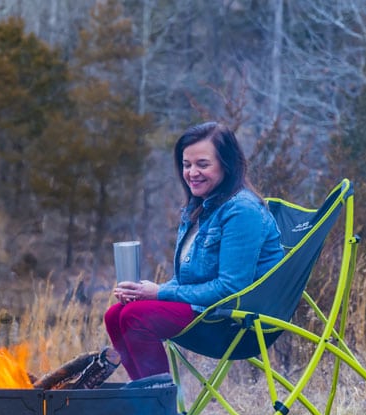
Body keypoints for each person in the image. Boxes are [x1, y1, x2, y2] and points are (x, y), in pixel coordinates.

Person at [105, 121, 284, 382]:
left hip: (233, 321)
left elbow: (232, 288)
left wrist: (159, 293)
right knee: (115, 314)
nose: (192, 173)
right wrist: (144, 291)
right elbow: (189, 280)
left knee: (136, 316)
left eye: (202, 164)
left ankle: (161, 411)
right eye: (186, 165)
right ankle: (145, 404)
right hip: (206, 309)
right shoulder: (199, 207)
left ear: (227, 164)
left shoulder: (242, 211)